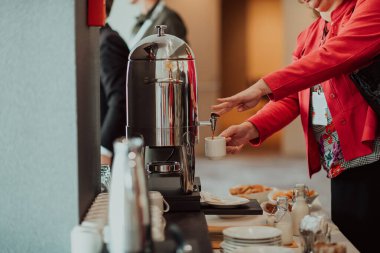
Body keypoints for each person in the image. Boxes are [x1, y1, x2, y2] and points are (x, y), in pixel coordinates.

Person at [212, 0, 380, 252]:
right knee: (352, 235)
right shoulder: (309, 35)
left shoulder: (370, 6)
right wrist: (251, 127)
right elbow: (294, 96)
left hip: (373, 154)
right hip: (341, 161)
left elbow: (334, 55)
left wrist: (260, 87)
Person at [100, 0, 130, 165]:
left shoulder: (107, 41)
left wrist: (104, 149)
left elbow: (121, 98)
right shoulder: (98, 41)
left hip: (109, 150)